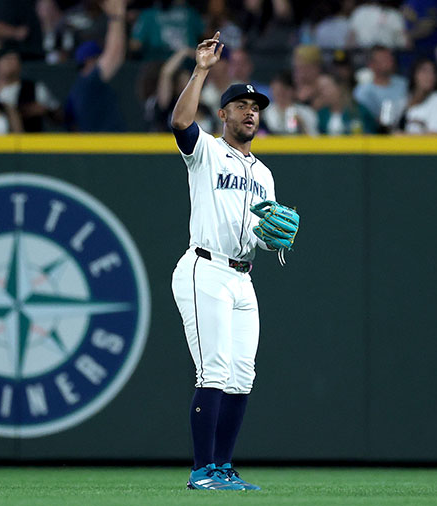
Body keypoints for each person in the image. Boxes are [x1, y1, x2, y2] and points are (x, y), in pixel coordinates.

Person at [169, 30, 279, 492]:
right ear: (224, 113)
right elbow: (178, 122)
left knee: (242, 375)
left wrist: (276, 239)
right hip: (205, 267)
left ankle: (223, 467)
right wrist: (201, 71)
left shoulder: (265, 174)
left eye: (257, 108)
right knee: (212, 369)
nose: (251, 112)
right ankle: (201, 471)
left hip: (241, 276)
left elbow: (264, 233)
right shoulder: (208, 151)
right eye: (242, 105)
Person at [64, 0, 127, 133]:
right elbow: (115, 53)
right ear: (90, 61)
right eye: (99, 58)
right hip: (106, 147)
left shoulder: (76, 89)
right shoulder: (90, 82)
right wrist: (116, 17)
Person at [0, 42, 62, 132]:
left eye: (14, 59)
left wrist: (45, 110)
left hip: (27, 142)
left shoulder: (35, 88)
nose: (10, 63)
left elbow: (58, 115)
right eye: (7, 59)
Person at [353, 45, 408, 132]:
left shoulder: (404, 84)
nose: (389, 62)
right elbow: (360, 118)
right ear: (371, 65)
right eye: (384, 59)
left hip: (404, 134)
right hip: (374, 136)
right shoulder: (362, 91)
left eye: (390, 58)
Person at [401, 58, 437, 135]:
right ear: (414, 74)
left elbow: (436, 136)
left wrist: (402, 136)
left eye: (433, 72)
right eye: (424, 71)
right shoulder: (405, 99)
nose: (429, 76)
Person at [262, 71, 317, 135]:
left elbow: (315, 139)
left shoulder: (306, 112)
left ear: (293, 90)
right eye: (276, 89)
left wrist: (302, 126)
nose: (280, 93)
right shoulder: (265, 112)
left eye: (284, 90)